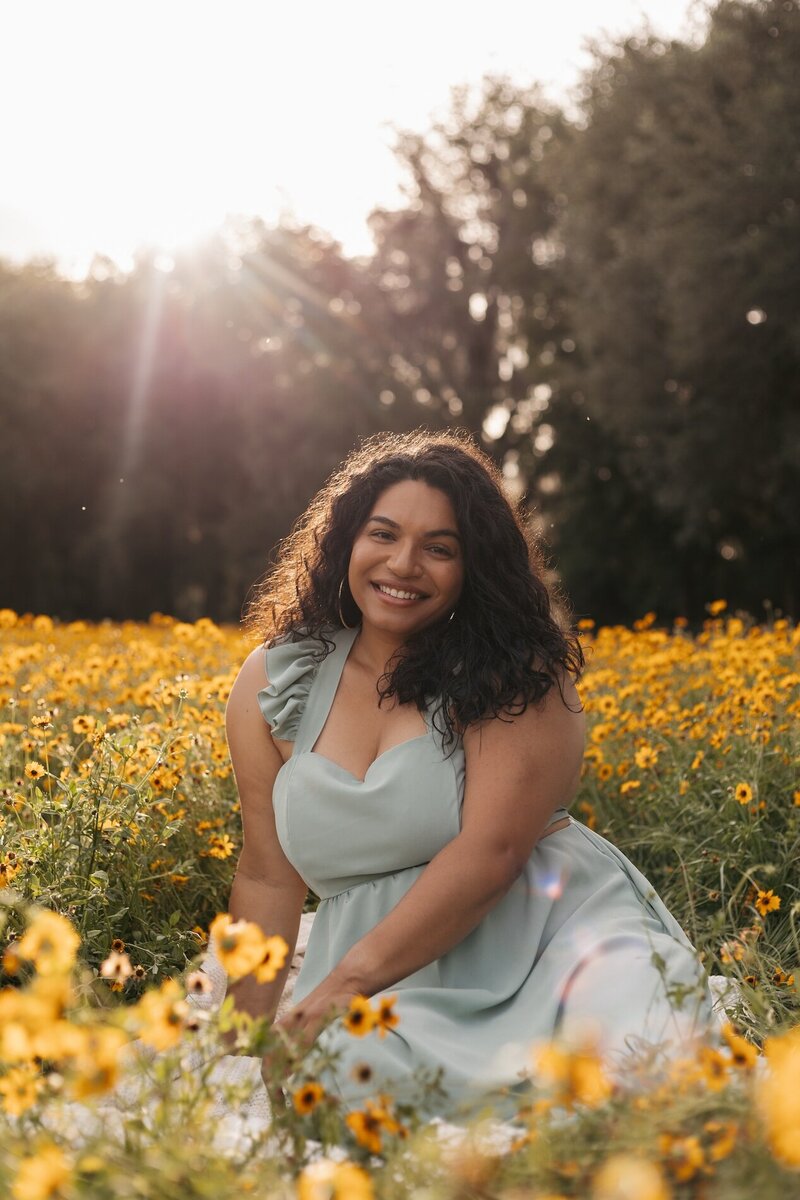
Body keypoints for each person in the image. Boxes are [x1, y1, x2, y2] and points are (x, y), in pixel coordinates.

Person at [223, 429, 713, 1123]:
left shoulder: (514, 674)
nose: (404, 563)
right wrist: (235, 1049)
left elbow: (493, 854)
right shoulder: (278, 681)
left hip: (554, 938)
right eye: (382, 534)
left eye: (440, 548)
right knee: (333, 1085)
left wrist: (342, 985)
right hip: (384, 984)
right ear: (345, 543)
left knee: (635, 1064)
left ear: (474, 565)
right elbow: (269, 874)